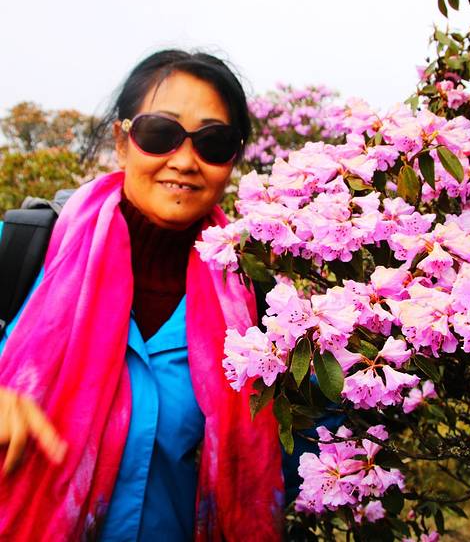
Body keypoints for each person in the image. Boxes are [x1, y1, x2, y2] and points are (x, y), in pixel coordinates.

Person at [0, 50, 285, 541]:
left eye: (213, 143)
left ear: (232, 160)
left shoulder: (256, 304)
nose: (185, 161)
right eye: (159, 133)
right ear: (122, 142)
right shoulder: (20, 249)